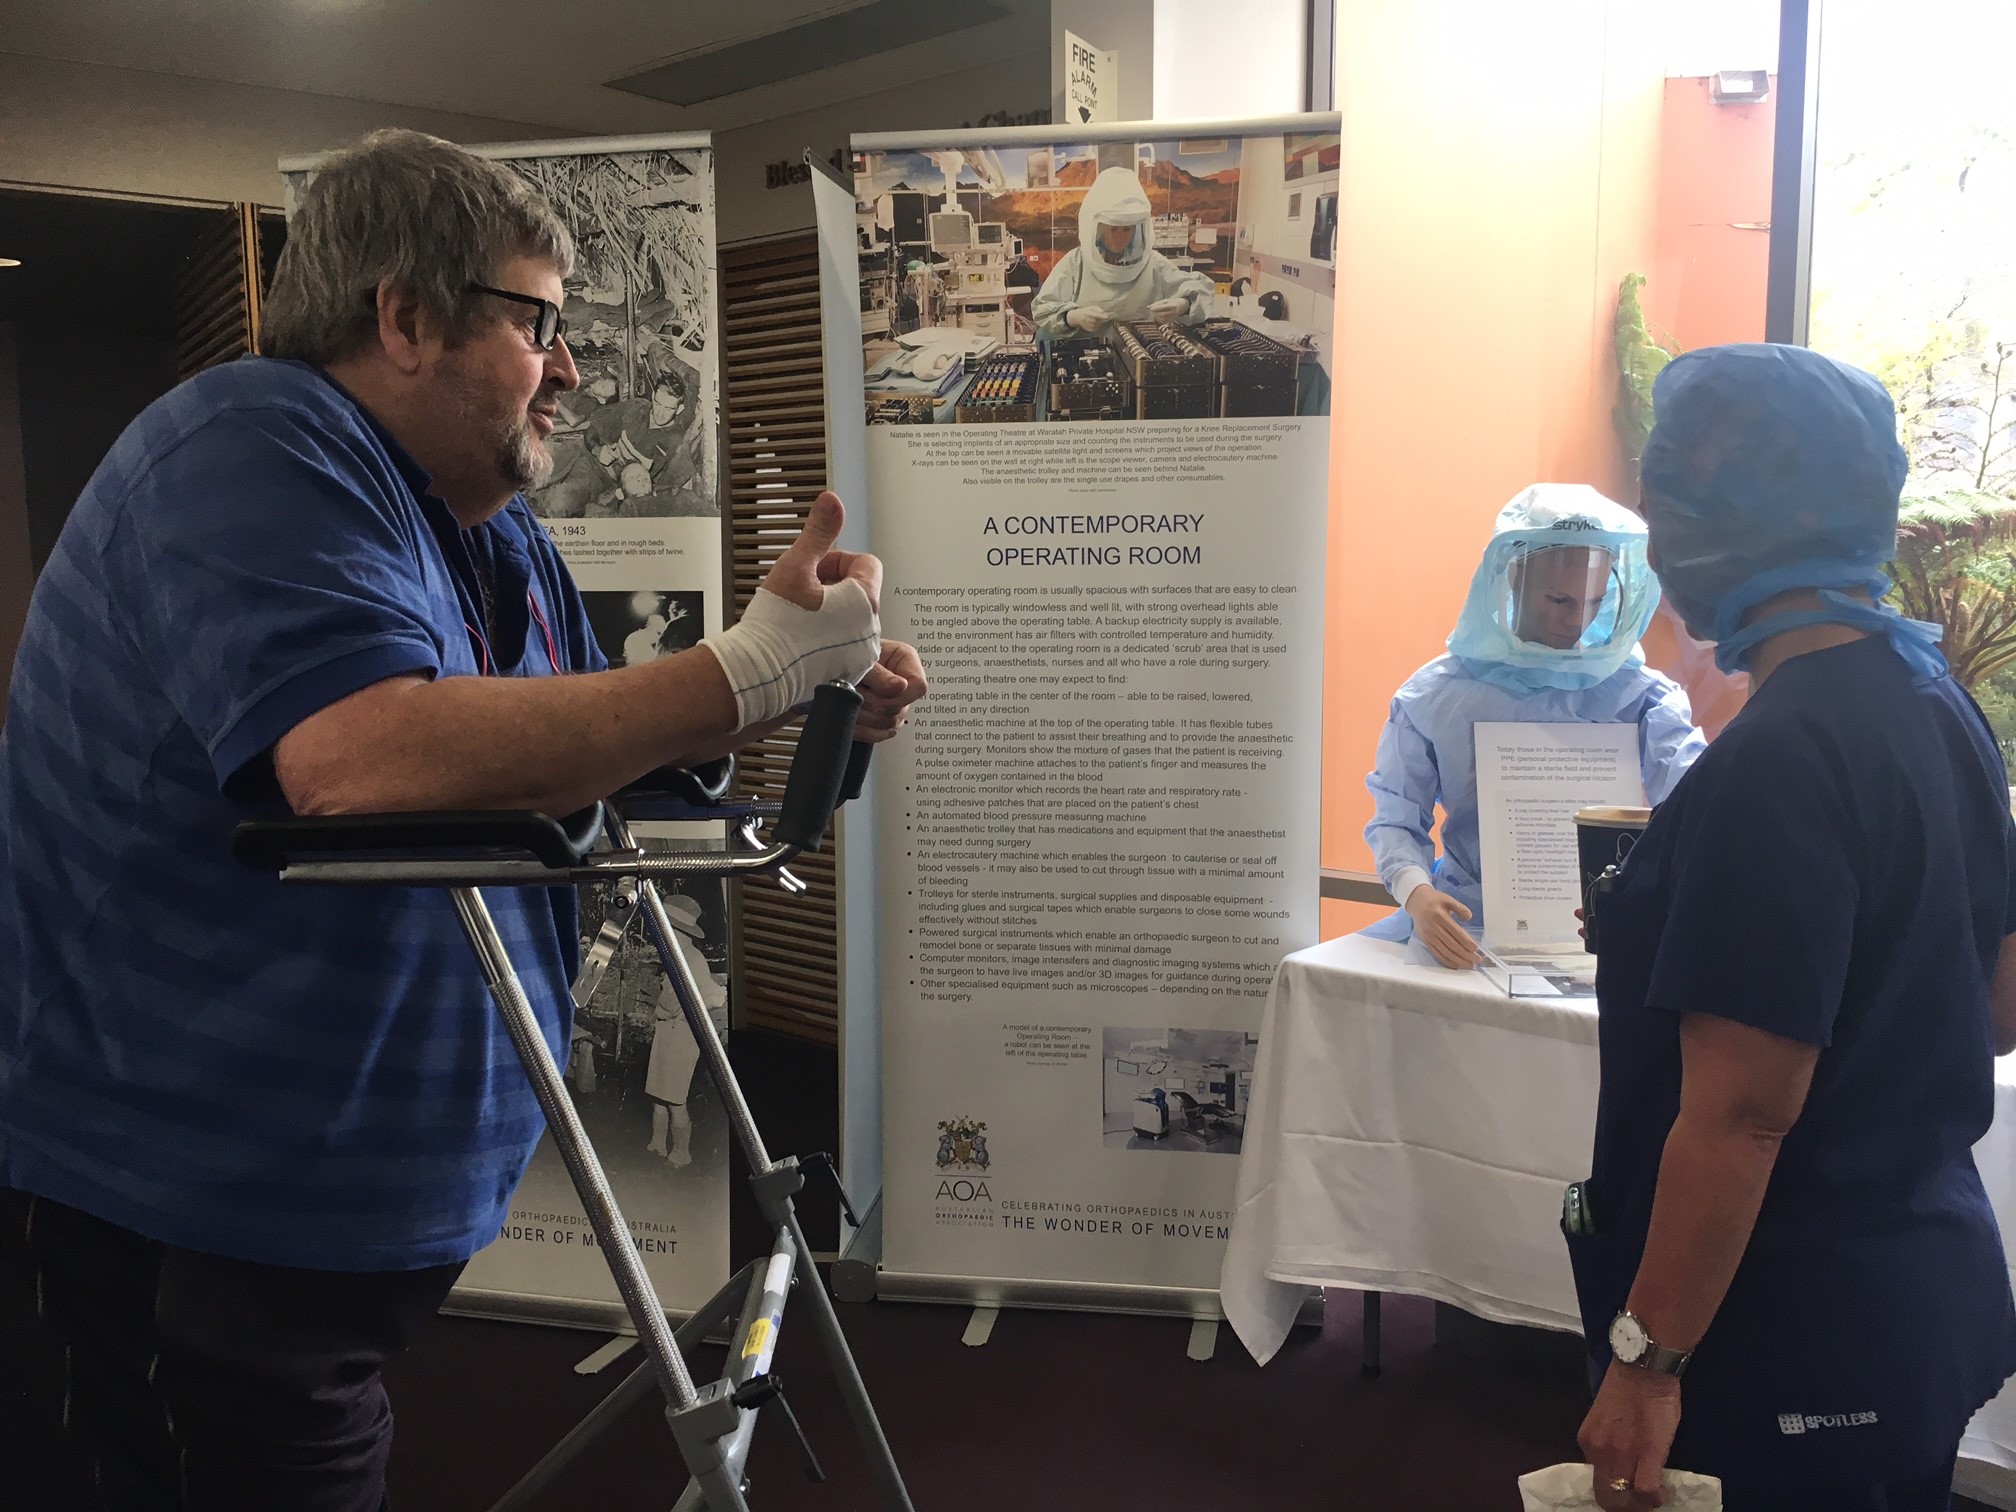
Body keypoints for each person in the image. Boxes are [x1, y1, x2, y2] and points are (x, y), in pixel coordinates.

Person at [0, 128, 928, 1512]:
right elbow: (357, 758)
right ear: (406, 318)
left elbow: (582, 755)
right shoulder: (248, 445)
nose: (573, 369)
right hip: (177, 1213)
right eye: (539, 325)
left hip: (313, 1219)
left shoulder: (488, 528)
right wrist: (747, 670)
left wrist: (796, 700)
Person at [1569, 343, 2016, 1512]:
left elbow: (1742, 1119)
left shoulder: (1777, 761)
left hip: (1790, 1320)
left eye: (1674, 494)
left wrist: (1647, 1362)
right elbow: (1996, 1000)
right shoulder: (1937, 701)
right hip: (1913, 1289)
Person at [1365, 484, 1704, 968]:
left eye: (1594, 601)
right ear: (1514, 576)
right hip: (1466, 929)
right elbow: (1396, 814)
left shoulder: (1643, 698)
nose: (1577, 621)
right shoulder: (1436, 697)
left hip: (1605, 933)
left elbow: (1692, 804)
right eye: (1560, 600)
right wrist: (1416, 893)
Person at [1031, 167, 1214, 339]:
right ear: (1099, 228)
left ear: (1137, 229)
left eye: (1127, 229)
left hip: (1141, 355)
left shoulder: (1153, 264)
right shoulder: (1076, 263)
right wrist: (1073, 317)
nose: (1119, 238)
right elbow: (1043, 309)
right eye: (1113, 229)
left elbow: (1201, 292)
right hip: (1084, 356)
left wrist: (1182, 305)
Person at [641, 895, 729, 1169]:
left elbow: (674, 1004)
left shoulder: (691, 960)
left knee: (674, 1098)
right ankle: (657, 1142)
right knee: (658, 1094)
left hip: (682, 1036)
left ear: (678, 930)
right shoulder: (677, 956)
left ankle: (681, 1153)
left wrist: (666, 1008)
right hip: (668, 1032)